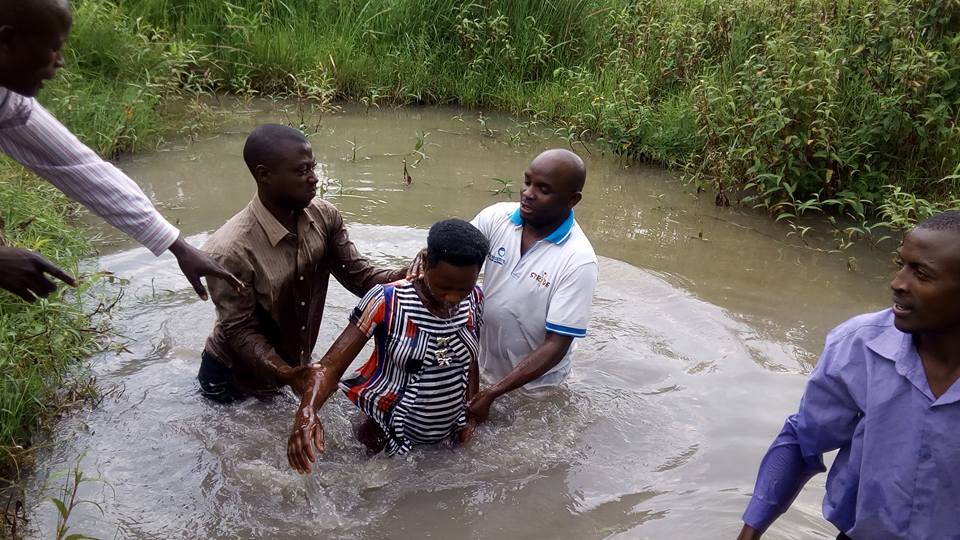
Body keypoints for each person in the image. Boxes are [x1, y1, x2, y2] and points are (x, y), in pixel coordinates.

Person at [737, 211, 960, 540]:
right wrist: (749, 533)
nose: (898, 283)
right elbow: (804, 439)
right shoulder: (861, 346)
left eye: (922, 274)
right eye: (901, 265)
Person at [0, 0, 241, 302]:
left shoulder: (8, 100)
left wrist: (179, 247)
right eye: (53, 48)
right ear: (7, 40)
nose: (60, 61)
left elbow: (83, 170)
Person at [200, 124, 411, 404]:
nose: (314, 179)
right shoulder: (230, 250)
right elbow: (240, 332)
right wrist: (288, 374)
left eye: (313, 167)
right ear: (264, 175)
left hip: (293, 367)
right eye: (302, 171)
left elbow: (361, 278)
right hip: (234, 379)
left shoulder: (324, 216)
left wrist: (412, 272)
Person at [287, 219, 487, 471]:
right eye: (444, 287)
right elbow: (329, 368)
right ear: (425, 263)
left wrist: (471, 416)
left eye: (463, 289)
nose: (453, 298)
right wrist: (307, 412)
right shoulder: (386, 300)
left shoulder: (475, 299)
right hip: (381, 443)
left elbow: (469, 361)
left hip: (444, 439)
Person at [466, 148, 598, 421]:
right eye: (527, 182)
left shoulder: (578, 260)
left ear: (572, 199)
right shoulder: (496, 218)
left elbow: (556, 344)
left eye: (543, 189)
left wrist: (493, 393)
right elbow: (453, 257)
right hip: (482, 367)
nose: (528, 193)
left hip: (535, 390)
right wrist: (427, 255)